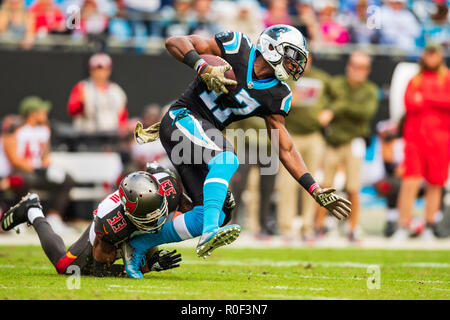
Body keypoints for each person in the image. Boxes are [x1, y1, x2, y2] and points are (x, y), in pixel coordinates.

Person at [126, 25, 351, 278]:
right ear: (272, 47)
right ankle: (211, 233)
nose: (295, 65)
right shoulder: (237, 47)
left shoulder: (278, 94)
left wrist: (314, 188)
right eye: (292, 55)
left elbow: (285, 147)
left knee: (213, 213)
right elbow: (174, 41)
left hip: (199, 138)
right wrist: (202, 66)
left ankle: (137, 245)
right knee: (227, 159)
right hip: (182, 117)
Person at [0, 168, 189, 277]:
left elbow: (192, 209)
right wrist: (146, 267)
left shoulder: (169, 185)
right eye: (147, 215)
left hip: (135, 229)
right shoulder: (111, 223)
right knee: (67, 268)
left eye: (156, 211)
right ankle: (32, 210)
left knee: (149, 237)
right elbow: (101, 271)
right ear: (127, 211)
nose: (155, 218)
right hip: (112, 234)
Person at [315, 51, 378, 242]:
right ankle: (318, 226)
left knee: (353, 187)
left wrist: (337, 108)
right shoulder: (336, 84)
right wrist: (337, 109)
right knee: (325, 186)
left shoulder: (370, 90)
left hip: (354, 141)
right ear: (348, 65)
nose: (356, 70)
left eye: (361, 67)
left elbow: (364, 113)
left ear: (367, 70)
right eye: (354, 65)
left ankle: (353, 227)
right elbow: (323, 106)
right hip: (333, 141)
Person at [393, 43, 450, 240]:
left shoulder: (446, 77)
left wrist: (426, 98)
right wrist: (436, 100)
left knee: (435, 183)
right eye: (429, 53)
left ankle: (430, 224)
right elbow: (410, 102)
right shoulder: (415, 79)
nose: (432, 57)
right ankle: (403, 224)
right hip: (415, 139)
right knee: (410, 181)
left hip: (441, 140)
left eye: (435, 54)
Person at [276, 53, 330, 242]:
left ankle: (308, 227)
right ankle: (287, 228)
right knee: (287, 184)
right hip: (290, 135)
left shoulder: (322, 78)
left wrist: (329, 112)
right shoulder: (284, 77)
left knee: (313, 183)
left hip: (314, 135)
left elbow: (335, 99)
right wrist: (290, 101)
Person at [3, 96, 75, 234]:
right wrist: (35, 169)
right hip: (23, 171)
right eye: (42, 111)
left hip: (38, 172)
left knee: (67, 179)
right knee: (21, 180)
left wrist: (47, 165)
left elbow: (44, 155)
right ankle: (18, 219)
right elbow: (14, 160)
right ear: (32, 113)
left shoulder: (44, 129)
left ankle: (54, 217)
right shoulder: (15, 130)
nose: (45, 114)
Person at [67, 52, 128, 134]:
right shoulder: (82, 87)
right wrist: (80, 103)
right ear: (91, 70)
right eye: (96, 69)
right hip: (87, 136)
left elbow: (122, 116)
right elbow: (72, 111)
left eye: (103, 69)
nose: (100, 73)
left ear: (109, 70)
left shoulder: (116, 90)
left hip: (111, 136)